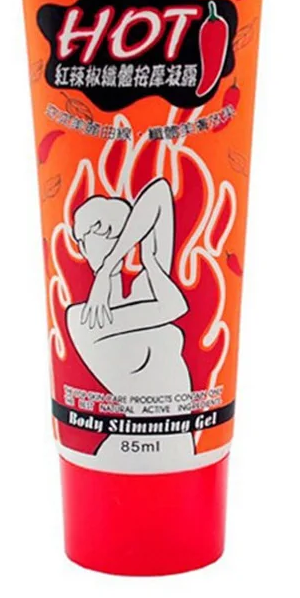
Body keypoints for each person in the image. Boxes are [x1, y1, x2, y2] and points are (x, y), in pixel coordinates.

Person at [66, 178, 194, 461]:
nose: (108, 245)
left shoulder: (144, 288)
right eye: (97, 236)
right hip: (117, 449)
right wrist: (109, 270)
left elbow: (159, 192)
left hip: (180, 438)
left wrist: (113, 265)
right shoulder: (82, 318)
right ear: (82, 247)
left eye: (116, 236)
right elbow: (175, 305)